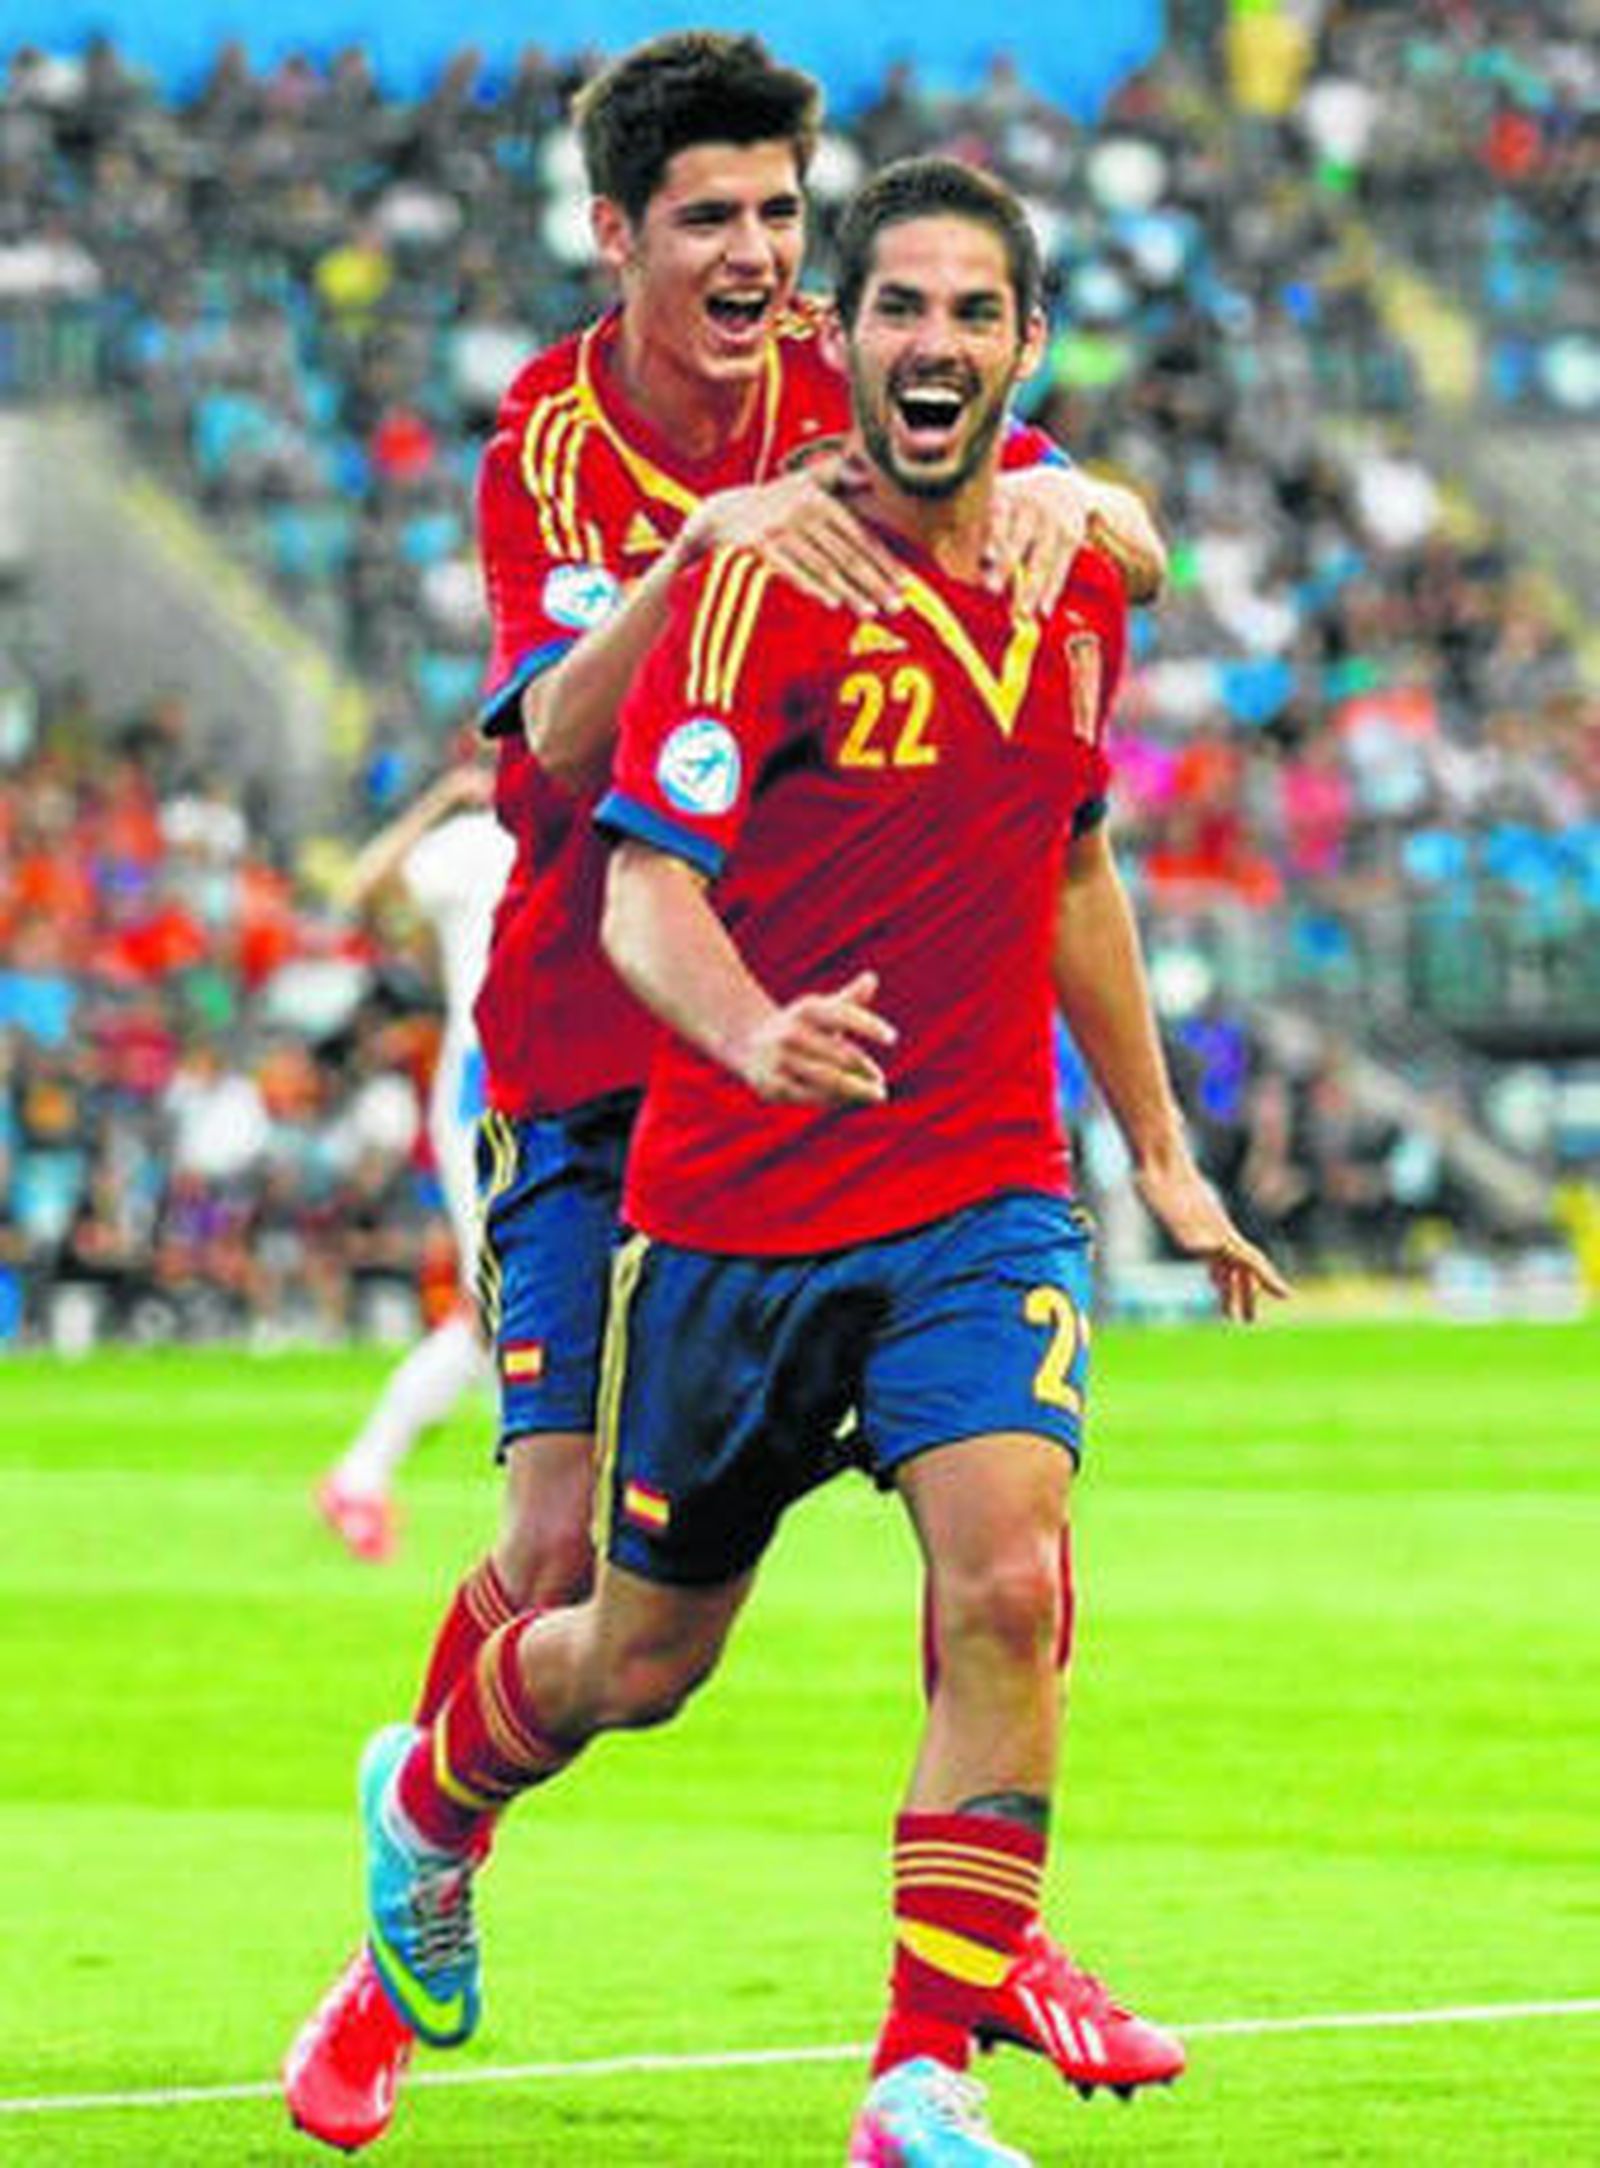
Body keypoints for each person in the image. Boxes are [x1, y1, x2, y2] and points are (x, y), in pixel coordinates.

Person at [322, 155, 1287, 2168]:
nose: (931, 345)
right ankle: (429, 1804)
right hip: (719, 1195)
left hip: (976, 1183)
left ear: (1023, 356)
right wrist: (751, 1027)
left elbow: (1076, 864)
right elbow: (634, 885)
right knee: (616, 1642)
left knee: (1009, 1578)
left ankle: (915, 2068)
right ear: (835, 342)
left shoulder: (1067, 571)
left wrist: (1163, 1158)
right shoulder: (742, 567)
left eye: (977, 317)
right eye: (897, 312)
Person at [313, 760, 512, 1561]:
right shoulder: (472, 845)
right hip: (486, 1096)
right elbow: (360, 897)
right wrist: (437, 804)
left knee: (510, 1308)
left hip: (572, 1094)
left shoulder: (599, 827)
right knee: (498, 1306)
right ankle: (363, 1476)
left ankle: (364, 1477)